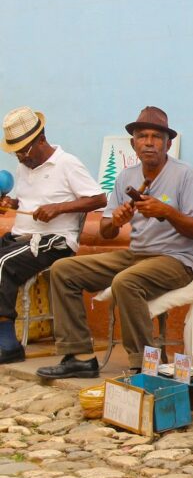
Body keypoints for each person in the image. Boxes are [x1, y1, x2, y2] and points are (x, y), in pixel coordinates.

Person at [36, 106, 193, 379]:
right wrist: (116, 220)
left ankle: (144, 366)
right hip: (137, 256)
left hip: (178, 261)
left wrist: (168, 212)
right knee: (63, 270)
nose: (149, 142)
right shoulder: (126, 177)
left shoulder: (185, 174)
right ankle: (79, 357)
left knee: (126, 281)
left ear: (168, 144)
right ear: (133, 143)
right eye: (142, 136)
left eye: (156, 137)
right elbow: (105, 232)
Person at [0, 106, 106, 364]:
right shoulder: (26, 165)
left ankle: (7, 342)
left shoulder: (67, 163)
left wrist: (59, 208)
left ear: (42, 140)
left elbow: (99, 199)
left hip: (54, 242)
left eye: (24, 151)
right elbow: (30, 201)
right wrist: (13, 204)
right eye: (16, 154)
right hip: (22, 237)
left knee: (2, 264)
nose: (21, 158)